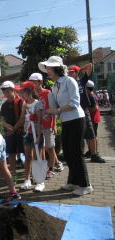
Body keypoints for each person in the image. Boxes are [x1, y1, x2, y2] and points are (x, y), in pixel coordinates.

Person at [39, 56, 93, 196]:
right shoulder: (54, 86)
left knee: (76, 152)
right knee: (68, 153)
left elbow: (74, 103)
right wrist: (47, 113)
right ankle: (73, 182)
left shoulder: (70, 81)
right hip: (66, 121)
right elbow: (54, 107)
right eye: (47, 68)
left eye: (49, 68)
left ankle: (85, 185)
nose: (47, 71)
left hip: (77, 119)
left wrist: (56, 111)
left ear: (57, 68)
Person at [10, 81, 45, 192]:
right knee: (28, 157)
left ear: (29, 91)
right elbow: (21, 120)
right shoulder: (25, 104)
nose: (20, 94)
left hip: (36, 134)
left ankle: (40, 182)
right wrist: (13, 129)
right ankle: (27, 180)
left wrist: (39, 136)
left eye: (22, 91)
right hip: (27, 134)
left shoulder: (38, 104)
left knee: (37, 157)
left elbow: (40, 122)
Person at [68, 64, 105, 163]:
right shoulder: (68, 83)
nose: (69, 74)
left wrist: (79, 68)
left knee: (91, 134)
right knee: (77, 136)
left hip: (84, 110)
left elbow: (90, 66)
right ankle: (79, 155)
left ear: (76, 73)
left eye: (72, 72)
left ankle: (94, 155)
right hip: (73, 112)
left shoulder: (82, 81)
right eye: (69, 72)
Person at [29, 73, 64, 178]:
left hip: (48, 125)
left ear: (40, 82)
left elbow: (53, 109)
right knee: (41, 148)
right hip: (38, 126)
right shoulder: (34, 95)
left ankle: (51, 169)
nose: (32, 84)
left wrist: (53, 126)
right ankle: (53, 164)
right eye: (31, 82)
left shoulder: (48, 93)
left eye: (34, 82)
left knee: (50, 147)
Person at [0, 80, 24, 183]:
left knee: (26, 153)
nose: (5, 93)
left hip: (21, 131)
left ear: (13, 90)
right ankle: (13, 175)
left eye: (7, 91)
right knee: (11, 153)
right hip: (10, 132)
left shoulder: (21, 102)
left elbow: (23, 119)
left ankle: (30, 175)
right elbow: (2, 119)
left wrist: (14, 128)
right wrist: (6, 125)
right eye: (4, 91)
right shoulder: (4, 105)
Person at [86, 80, 102, 158]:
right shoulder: (91, 95)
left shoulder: (91, 96)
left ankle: (95, 151)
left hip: (93, 118)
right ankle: (91, 150)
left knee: (93, 136)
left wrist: (87, 110)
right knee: (91, 136)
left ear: (87, 88)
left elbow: (95, 108)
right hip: (93, 118)